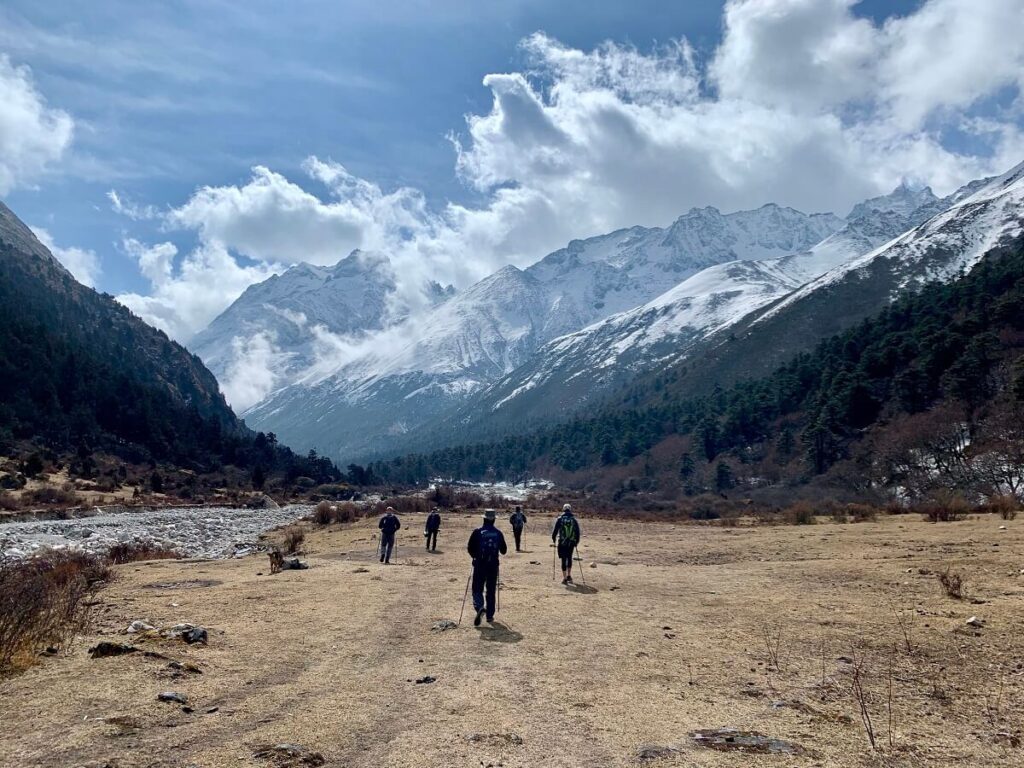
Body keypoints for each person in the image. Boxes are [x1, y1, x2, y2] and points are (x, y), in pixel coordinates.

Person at [466, 508, 507, 626]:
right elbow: (504, 551)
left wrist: (474, 557)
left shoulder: (477, 532)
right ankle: (489, 615)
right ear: (494, 519)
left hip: (479, 564)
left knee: (477, 588)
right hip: (493, 565)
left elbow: (470, 548)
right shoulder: (498, 533)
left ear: (483, 519)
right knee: (491, 590)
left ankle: (479, 607)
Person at [551, 503, 581, 584]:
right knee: (569, 557)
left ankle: (564, 578)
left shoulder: (560, 519)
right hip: (571, 542)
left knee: (563, 559)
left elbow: (555, 531)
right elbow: (577, 532)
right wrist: (576, 542)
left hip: (562, 542)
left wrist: (553, 539)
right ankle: (569, 576)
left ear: (563, 509)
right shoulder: (574, 520)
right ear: (570, 509)